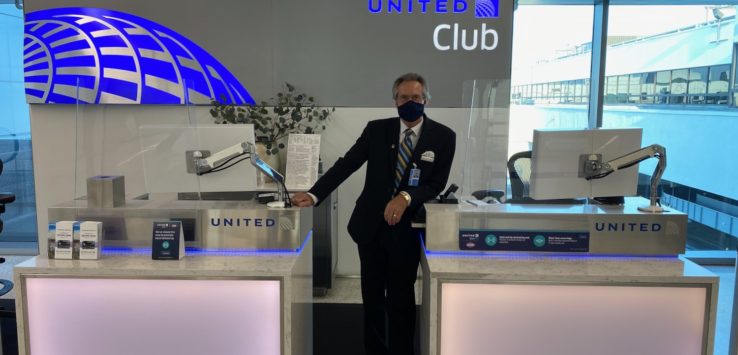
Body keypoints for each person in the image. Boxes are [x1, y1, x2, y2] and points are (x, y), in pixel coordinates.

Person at [292, 73, 456, 355]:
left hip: (406, 230)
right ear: (395, 101)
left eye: (416, 97)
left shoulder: (443, 137)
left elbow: (435, 184)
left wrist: (405, 197)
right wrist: (314, 194)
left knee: (401, 297)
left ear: (426, 99)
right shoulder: (377, 130)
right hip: (370, 227)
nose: (410, 102)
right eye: (404, 97)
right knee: (372, 297)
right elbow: (347, 165)